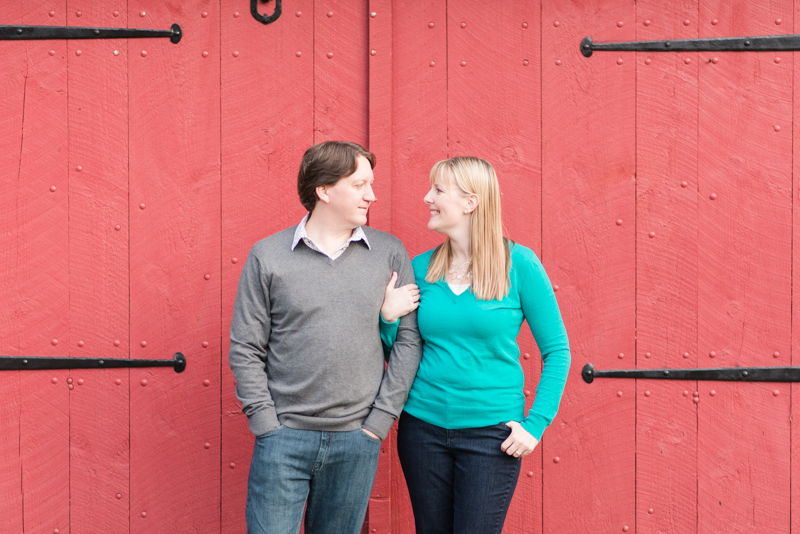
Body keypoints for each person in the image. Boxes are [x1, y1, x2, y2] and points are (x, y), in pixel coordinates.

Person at [229, 141, 422, 534]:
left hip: (357, 439)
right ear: (324, 190)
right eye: (359, 184)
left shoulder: (388, 253)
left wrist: (378, 423)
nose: (372, 195)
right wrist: (266, 423)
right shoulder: (268, 255)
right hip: (283, 438)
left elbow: (408, 342)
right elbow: (246, 347)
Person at [380, 156, 571, 534]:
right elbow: (399, 350)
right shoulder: (421, 268)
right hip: (423, 431)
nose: (426, 198)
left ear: (470, 202)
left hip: (491, 436)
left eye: (437, 190)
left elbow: (557, 351)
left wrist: (535, 425)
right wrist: (388, 319)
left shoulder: (519, 264)